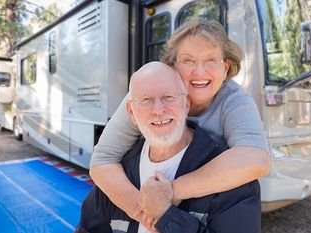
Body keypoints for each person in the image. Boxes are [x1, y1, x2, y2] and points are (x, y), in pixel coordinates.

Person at [89, 19, 271, 228]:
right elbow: (102, 160)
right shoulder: (143, 96)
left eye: (211, 60)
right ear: (172, 66)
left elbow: (256, 158)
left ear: (225, 67)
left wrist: (171, 191)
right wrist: (144, 213)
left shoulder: (235, 101)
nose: (200, 72)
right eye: (188, 60)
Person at [76, 62, 261, 233]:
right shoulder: (118, 175)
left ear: (186, 104)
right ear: (131, 112)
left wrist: (167, 216)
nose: (158, 110)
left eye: (168, 97)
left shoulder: (232, 181)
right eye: (146, 99)